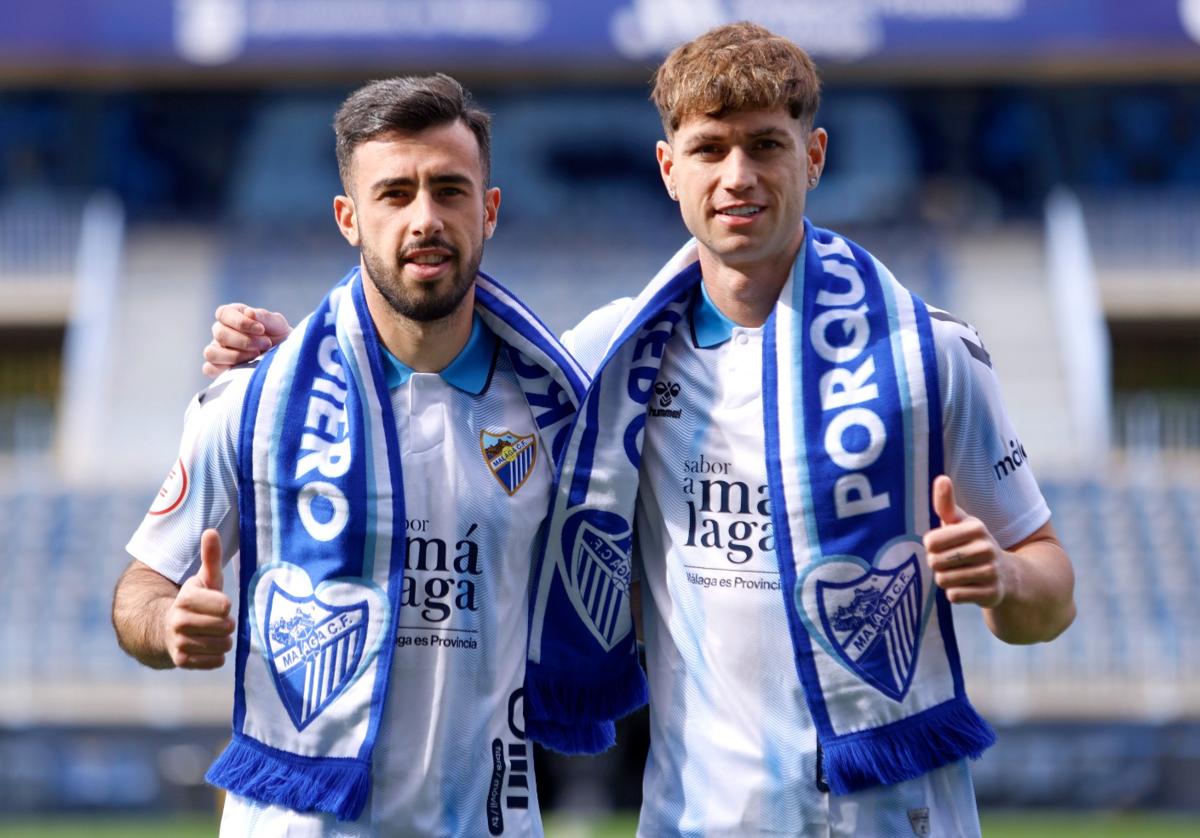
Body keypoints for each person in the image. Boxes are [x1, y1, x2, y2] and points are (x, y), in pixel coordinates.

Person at [206, 23, 1076, 837]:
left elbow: (1051, 593)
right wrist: (300, 359)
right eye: (709, 149)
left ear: (812, 156)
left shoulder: (928, 356)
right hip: (694, 817)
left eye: (766, 145)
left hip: (895, 815)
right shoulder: (611, 359)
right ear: (670, 168)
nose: (738, 176)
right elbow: (431, 365)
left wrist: (1002, 578)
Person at [112, 73, 592, 836]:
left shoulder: (562, 416)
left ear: (490, 210)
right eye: (395, 194)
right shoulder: (254, 404)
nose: (425, 219)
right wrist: (170, 623)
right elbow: (137, 590)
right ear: (349, 218)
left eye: (450, 190)